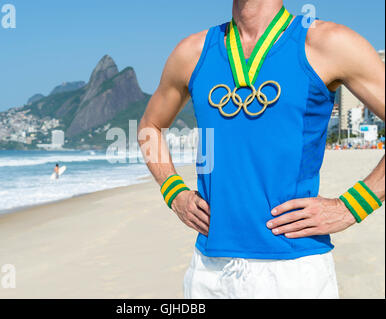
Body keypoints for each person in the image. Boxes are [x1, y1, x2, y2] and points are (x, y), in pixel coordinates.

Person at [138, 0, 385, 298]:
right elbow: (148, 127)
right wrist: (173, 190)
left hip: (294, 269)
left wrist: (353, 206)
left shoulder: (327, 43)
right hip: (210, 269)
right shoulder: (191, 53)